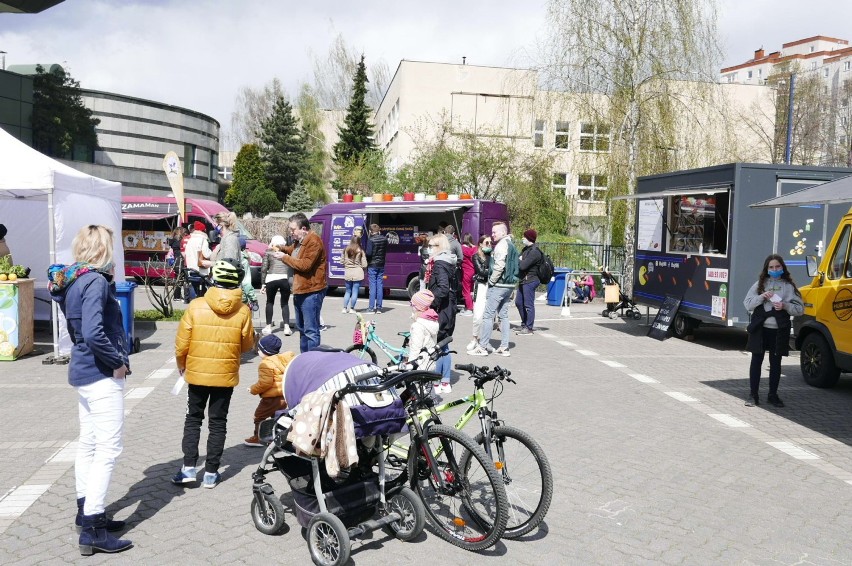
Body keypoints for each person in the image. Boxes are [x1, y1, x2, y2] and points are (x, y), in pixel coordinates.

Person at [47, 225, 132, 555]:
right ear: (101, 250)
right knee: (108, 449)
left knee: (90, 444)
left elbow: (77, 330)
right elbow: (95, 333)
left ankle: (86, 512)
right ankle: (94, 526)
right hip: (100, 372)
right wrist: (117, 362)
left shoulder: (73, 280)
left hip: (83, 370)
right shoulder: (95, 280)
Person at [172, 260, 255, 488]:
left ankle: (188, 469)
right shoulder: (244, 310)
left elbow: (182, 344)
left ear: (214, 279)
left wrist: (182, 364)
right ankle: (211, 473)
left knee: (193, 419)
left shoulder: (196, 305)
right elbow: (248, 345)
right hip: (225, 375)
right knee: (218, 422)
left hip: (197, 374)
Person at [743, 254, 804, 407]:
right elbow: (747, 304)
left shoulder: (788, 287)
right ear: (767, 269)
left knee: (775, 363)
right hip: (761, 329)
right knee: (756, 361)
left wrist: (785, 306)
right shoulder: (760, 284)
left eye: (777, 266)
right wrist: (761, 297)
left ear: (782, 268)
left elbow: (800, 309)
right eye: (771, 267)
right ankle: (753, 395)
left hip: (778, 331)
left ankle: (772, 395)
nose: (774, 269)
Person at [279, 214, 327, 353]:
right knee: (302, 328)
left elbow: (305, 265)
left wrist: (284, 258)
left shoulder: (314, 241)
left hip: (311, 291)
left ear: (303, 228)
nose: (291, 232)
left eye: (293, 229)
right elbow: (292, 251)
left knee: (311, 330)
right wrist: (279, 248)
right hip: (300, 291)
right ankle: (304, 359)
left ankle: (312, 361)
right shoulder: (300, 241)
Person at [470, 221, 518, 357]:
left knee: (487, 316)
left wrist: (491, 281)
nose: (492, 235)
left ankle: (483, 347)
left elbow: (499, 266)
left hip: (499, 285)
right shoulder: (511, 245)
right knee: (503, 315)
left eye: (494, 232)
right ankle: (504, 347)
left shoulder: (501, 245)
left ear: (503, 232)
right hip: (509, 285)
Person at [244, 334, 296, 447]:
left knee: (258, 417)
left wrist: (253, 389)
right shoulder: (283, 360)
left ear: (265, 351)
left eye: (259, 349)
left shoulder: (265, 364)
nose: (257, 351)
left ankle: (258, 438)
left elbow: (265, 383)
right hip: (283, 396)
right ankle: (278, 436)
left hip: (270, 398)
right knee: (277, 416)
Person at [426, 234, 458, 392]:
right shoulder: (450, 261)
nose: (428, 248)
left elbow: (443, 288)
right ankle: (445, 381)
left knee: (437, 345)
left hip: (442, 309)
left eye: (431, 246)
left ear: (438, 247)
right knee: (444, 345)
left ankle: (438, 381)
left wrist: (430, 302)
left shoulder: (439, 263)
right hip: (450, 307)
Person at [260, 235, 292, 336]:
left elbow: (264, 268)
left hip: (271, 278)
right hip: (285, 279)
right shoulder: (287, 252)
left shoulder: (268, 252)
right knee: (285, 303)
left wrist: (263, 283)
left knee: (269, 302)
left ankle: (268, 326)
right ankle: (286, 327)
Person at [516, 229, 543, 335]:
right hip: (523, 280)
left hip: (531, 280)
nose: (522, 238)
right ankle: (524, 324)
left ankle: (529, 327)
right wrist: (519, 259)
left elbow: (523, 265)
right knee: (518, 302)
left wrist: (518, 259)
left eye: (524, 237)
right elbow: (520, 261)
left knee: (528, 305)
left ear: (529, 238)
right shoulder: (525, 249)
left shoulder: (535, 252)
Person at [467, 235, 492, 352]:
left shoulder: (492, 255)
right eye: (487, 243)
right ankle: (474, 338)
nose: (489, 245)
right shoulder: (476, 256)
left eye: (490, 243)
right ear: (481, 244)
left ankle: (485, 341)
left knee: (489, 316)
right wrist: (490, 270)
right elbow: (481, 272)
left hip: (491, 286)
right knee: (477, 316)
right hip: (481, 286)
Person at [406, 289, 439, 375]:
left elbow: (415, 348)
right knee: (427, 388)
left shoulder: (418, 326)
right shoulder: (431, 321)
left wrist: (410, 367)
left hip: (419, 366)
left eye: (412, 304)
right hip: (430, 363)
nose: (411, 306)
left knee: (417, 388)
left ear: (418, 307)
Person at [183, 220, 213, 298]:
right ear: (203, 230)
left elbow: (186, 253)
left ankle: (193, 302)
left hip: (191, 268)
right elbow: (206, 253)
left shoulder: (190, 239)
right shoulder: (203, 239)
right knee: (203, 288)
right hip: (201, 269)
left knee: (194, 286)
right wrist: (213, 253)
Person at [365, 223, 387, 314]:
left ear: (370, 231)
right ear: (379, 230)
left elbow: (369, 253)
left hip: (372, 264)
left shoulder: (371, 240)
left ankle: (371, 308)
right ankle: (379, 307)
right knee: (380, 285)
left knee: (373, 286)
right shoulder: (385, 239)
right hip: (381, 264)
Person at [342, 235, 367, 313]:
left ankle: (344, 308)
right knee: (355, 291)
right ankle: (352, 308)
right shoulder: (361, 251)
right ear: (359, 241)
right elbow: (364, 264)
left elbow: (342, 261)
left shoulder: (346, 249)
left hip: (348, 272)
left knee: (348, 291)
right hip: (358, 272)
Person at [237, 236, 258, 311]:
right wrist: (253, 299)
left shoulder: (229, 257)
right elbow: (246, 282)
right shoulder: (244, 261)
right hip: (241, 296)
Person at [460, 233, 477, 316]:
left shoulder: (462, 248)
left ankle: (469, 308)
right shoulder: (475, 248)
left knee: (466, 291)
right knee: (472, 291)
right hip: (474, 271)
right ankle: (473, 306)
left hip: (466, 271)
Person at [167, 226, 186, 301]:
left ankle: (177, 295)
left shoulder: (173, 241)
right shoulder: (179, 242)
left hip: (176, 261)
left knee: (178, 278)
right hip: (180, 261)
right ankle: (177, 296)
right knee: (180, 279)